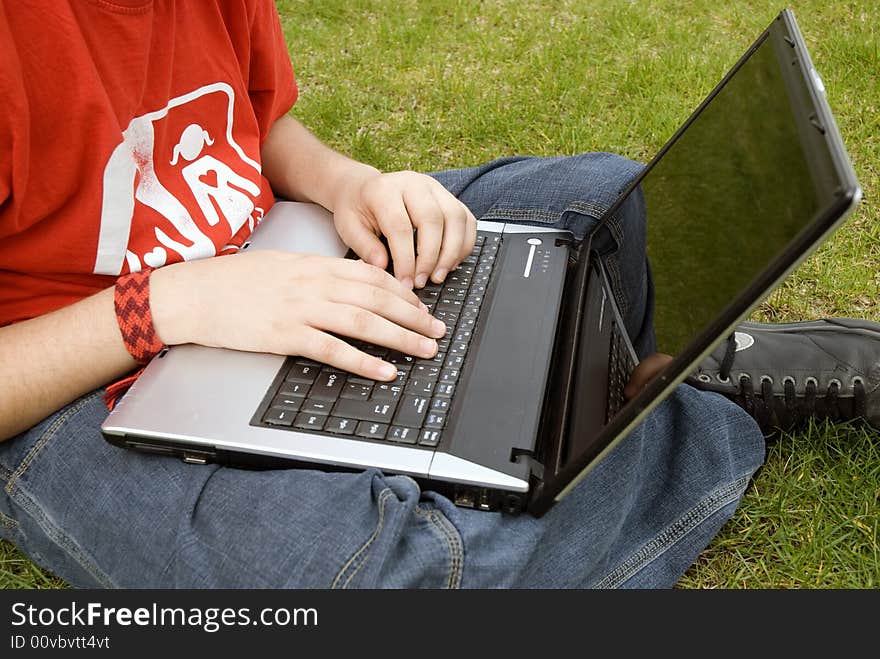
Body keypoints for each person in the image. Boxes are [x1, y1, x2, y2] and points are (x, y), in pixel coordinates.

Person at [0, 0, 876, 589]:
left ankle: (590, 396)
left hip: (284, 250)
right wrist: (165, 304)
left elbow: (254, 121)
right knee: (381, 572)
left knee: (614, 204)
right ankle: (677, 403)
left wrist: (348, 187)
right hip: (72, 377)